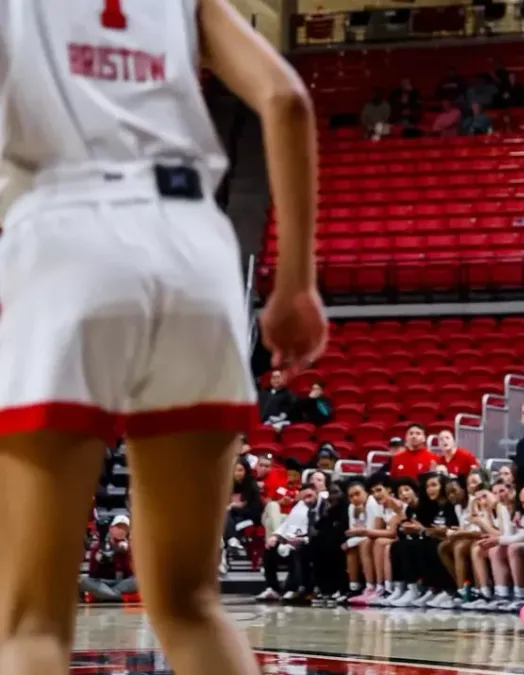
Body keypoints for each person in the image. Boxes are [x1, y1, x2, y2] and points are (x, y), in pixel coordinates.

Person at [0, 2, 326, 674]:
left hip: (65, 229)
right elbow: (287, 98)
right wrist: (295, 285)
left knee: (30, 623)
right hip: (196, 250)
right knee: (189, 602)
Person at [79, 515, 138, 603]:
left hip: (121, 582)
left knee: (139, 580)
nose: (121, 530)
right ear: (111, 528)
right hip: (102, 582)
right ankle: (116, 596)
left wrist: (126, 553)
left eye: (124, 528)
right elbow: (93, 573)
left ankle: (107, 596)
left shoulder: (129, 548)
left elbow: (131, 573)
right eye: (118, 527)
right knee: (83, 581)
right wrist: (113, 552)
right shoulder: (99, 546)